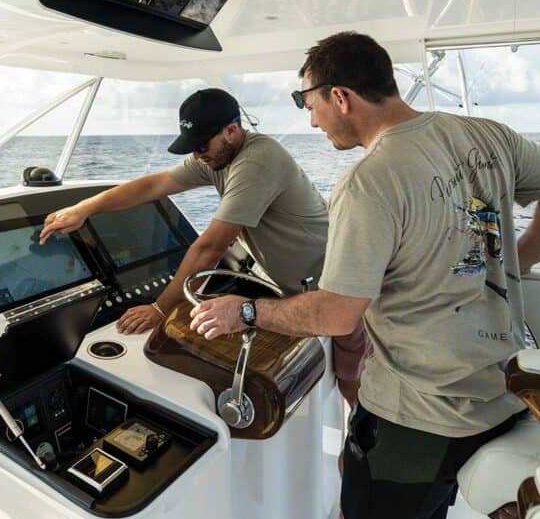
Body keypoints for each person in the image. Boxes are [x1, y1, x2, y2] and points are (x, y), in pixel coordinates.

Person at [188, 32, 540, 519]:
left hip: (417, 417)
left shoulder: (369, 182)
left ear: (340, 97)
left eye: (309, 103)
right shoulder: (490, 136)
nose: (312, 120)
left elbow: (337, 314)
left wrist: (246, 312)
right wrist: (514, 263)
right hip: (501, 391)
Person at [39, 87, 330, 334]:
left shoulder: (256, 162)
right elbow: (154, 185)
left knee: (346, 361)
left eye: (201, 146)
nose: (197, 155)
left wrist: (159, 309)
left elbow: (210, 249)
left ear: (231, 131)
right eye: (192, 147)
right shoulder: (216, 156)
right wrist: (85, 207)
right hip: (295, 285)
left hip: (328, 284)